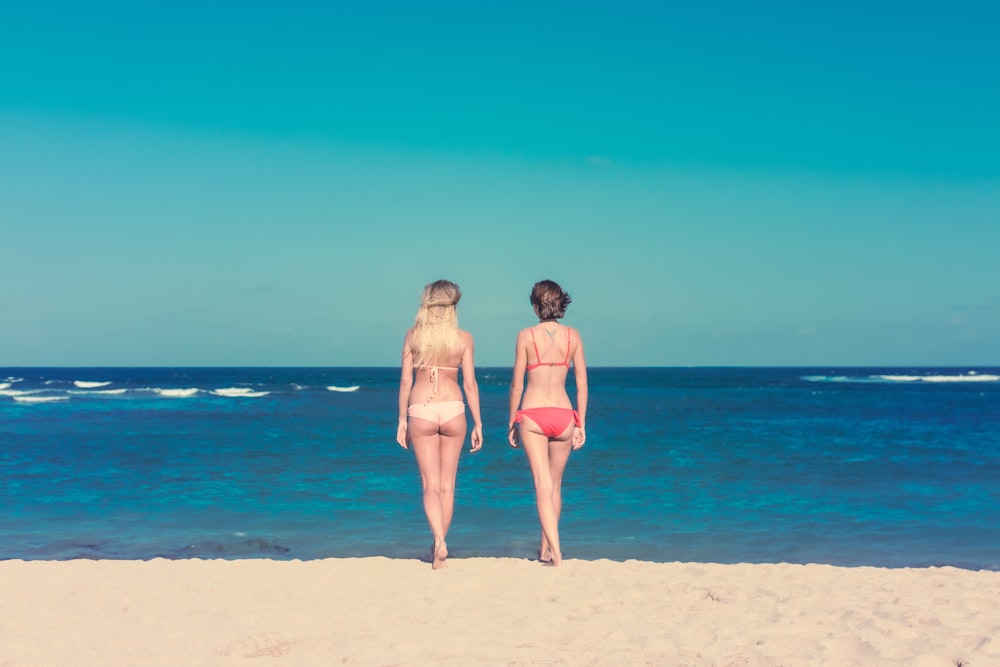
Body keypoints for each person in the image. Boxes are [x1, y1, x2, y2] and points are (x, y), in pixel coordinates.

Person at [397, 279, 483, 569]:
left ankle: (439, 542)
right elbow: (470, 384)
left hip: (421, 409)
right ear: (452, 307)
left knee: (430, 484)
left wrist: (401, 420)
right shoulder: (464, 338)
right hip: (453, 410)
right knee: (447, 486)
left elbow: (407, 381)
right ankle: (439, 546)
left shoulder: (413, 336)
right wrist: (478, 423)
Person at [508, 279, 588, 566]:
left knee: (542, 485)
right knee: (555, 486)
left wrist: (511, 420)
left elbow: (517, 384)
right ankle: (544, 550)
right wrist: (581, 423)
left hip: (533, 414)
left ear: (535, 306)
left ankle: (556, 551)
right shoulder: (573, 336)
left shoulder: (526, 336)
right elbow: (581, 384)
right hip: (565, 414)